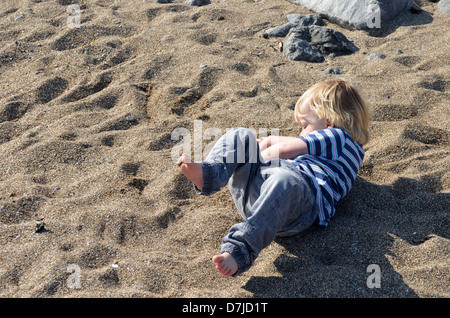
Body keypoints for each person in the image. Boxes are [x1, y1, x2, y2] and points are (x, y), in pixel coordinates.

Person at [177, 79, 370, 276]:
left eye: (305, 125)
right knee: (247, 140)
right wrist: (266, 141)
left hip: (298, 202)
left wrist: (255, 157)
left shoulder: (338, 136)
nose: (301, 132)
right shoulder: (348, 152)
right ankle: (208, 174)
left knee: (249, 144)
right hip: (273, 210)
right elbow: (295, 142)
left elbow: (286, 149)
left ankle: (240, 248)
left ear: (329, 122)